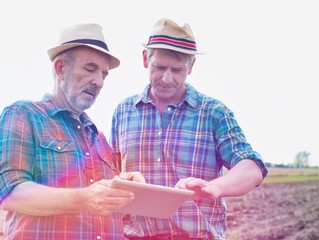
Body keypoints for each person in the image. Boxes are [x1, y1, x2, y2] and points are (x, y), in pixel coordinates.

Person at [110, 18, 268, 240]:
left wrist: (215, 187)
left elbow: (252, 168)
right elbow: (110, 175)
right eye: (160, 67)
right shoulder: (123, 112)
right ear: (145, 59)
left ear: (191, 67)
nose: (167, 78)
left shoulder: (213, 112)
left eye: (177, 70)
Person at [0, 23, 144, 240]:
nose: (99, 81)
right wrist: (85, 198)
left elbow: (111, 211)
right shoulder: (22, 114)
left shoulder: (99, 138)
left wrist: (127, 190)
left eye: (104, 74)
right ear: (60, 68)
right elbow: (9, 193)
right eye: (90, 69)